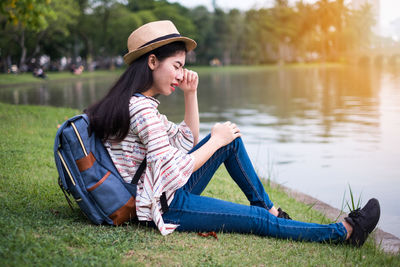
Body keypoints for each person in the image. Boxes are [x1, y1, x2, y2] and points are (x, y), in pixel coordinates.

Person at [85, 20, 380, 247]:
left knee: (232, 139)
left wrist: (191, 94)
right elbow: (172, 171)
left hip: (162, 192)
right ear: (152, 61)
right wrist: (214, 141)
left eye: (182, 67)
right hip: (164, 206)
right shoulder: (142, 110)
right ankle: (344, 232)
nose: (180, 74)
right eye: (177, 66)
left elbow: (186, 140)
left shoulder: (139, 103)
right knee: (255, 219)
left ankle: (269, 207)